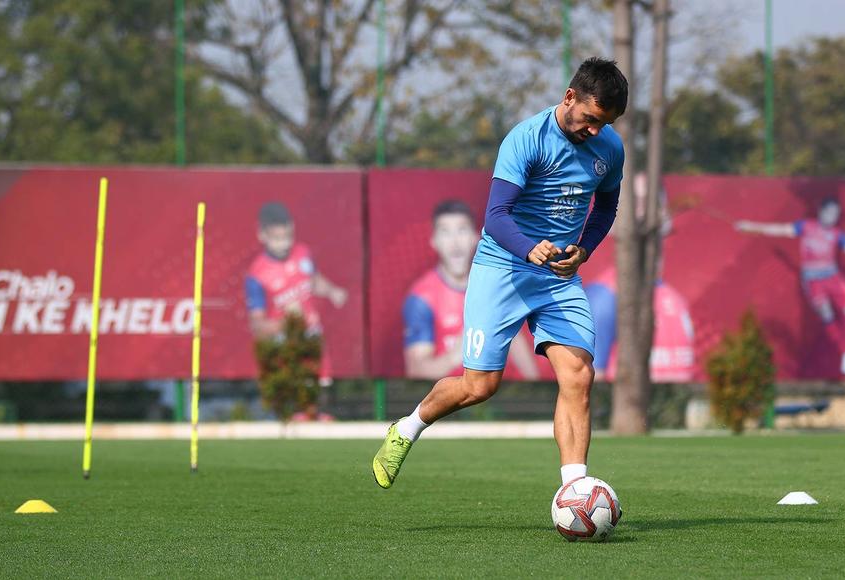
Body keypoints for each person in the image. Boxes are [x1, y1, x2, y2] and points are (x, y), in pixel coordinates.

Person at [372, 57, 628, 489]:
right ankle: (409, 427)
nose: (596, 131)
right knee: (479, 386)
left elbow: (605, 207)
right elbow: (495, 215)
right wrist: (530, 249)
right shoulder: (526, 140)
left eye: (605, 123)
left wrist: (583, 249)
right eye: (590, 119)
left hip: (557, 278)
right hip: (503, 269)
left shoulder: (609, 149)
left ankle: (575, 488)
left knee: (579, 374)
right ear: (569, 98)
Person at [734, 197, 845, 375]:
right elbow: (779, 229)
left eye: (836, 215)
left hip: (833, 277)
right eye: (829, 213)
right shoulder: (806, 226)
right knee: (827, 316)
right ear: (821, 211)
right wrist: (750, 226)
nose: (832, 217)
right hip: (813, 281)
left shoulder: (838, 234)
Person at [402, 199, 539, 380]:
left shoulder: (494, 288)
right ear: (434, 241)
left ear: (476, 237)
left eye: (462, 230)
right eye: (445, 232)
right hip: (449, 399)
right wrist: (456, 355)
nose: (455, 242)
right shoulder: (422, 298)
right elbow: (417, 371)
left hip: (499, 397)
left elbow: (522, 357)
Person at [585, 173, 695, 382]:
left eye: (650, 201)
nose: (642, 210)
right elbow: (589, 385)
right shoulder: (604, 297)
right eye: (634, 202)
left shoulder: (676, 299)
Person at [245, 202, 348, 384]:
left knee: (321, 385)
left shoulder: (302, 253)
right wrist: (287, 322)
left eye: (287, 237)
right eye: (277, 239)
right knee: (293, 389)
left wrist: (332, 291)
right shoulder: (257, 274)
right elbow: (257, 326)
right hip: (283, 344)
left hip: (312, 336)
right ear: (262, 235)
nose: (284, 244)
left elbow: (314, 281)